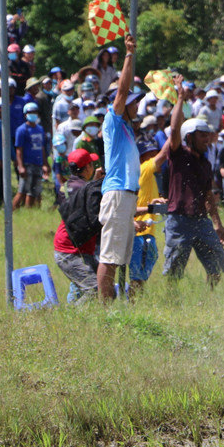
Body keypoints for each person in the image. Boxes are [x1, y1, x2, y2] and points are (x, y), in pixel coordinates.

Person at [161, 75, 224, 287]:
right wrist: (180, 98)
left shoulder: (206, 164)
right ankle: (171, 304)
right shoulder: (178, 154)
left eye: (208, 135)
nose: (207, 139)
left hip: (201, 221)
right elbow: (173, 130)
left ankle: (209, 299)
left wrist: (217, 224)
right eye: (202, 136)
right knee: (174, 268)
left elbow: (208, 195)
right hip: (179, 220)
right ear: (189, 137)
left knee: (218, 262)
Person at [96, 34, 144, 301]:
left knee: (118, 256)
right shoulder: (113, 121)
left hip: (126, 195)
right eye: (134, 101)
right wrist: (128, 55)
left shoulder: (127, 128)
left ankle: (111, 303)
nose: (137, 105)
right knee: (110, 256)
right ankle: (104, 309)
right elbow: (123, 91)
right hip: (116, 194)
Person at [54, 149, 103, 303]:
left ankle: (76, 315)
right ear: (87, 167)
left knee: (101, 285)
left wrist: (93, 183)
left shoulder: (66, 186)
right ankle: (72, 318)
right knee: (95, 290)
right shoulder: (85, 188)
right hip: (71, 250)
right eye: (91, 164)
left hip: (69, 245)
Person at [130, 139, 166, 294]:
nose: (154, 158)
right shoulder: (144, 169)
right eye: (150, 155)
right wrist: (175, 133)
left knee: (140, 277)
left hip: (145, 233)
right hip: (141, 233)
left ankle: (135, 305)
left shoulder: (150, 177)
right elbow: (164, 155)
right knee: (137, 278)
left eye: (155, 153)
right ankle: (133, 307)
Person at [13, 102, 49, 209]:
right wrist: (21, 166)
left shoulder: (40, 129)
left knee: (34, 192)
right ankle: (12, 210)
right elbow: (19, 150)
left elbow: (41, 147)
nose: (33, 114)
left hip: (37, 163)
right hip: (27, 163)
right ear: (25, 115)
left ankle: (29, 211)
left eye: (34, 112)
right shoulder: (21, 130)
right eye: (30, 112)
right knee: (22, 191)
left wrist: (45, 163)